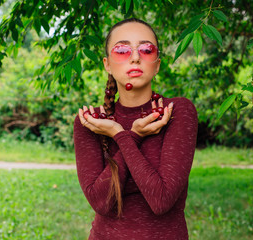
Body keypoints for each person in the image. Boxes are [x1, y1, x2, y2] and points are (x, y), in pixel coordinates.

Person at [73, 18, 198, 240]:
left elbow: (161, 200)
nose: (135, 57)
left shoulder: (177, 111)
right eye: (122, 50)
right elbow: (101, 202)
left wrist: (121, 136)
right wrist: (131, 136)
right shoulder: (91, 122)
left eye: (146, 49)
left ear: (157, 64)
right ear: (107, 64)